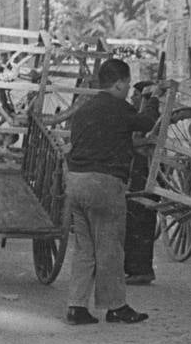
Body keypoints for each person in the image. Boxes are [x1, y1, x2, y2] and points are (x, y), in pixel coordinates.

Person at [62, 59, 155, 325]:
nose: (127, 89)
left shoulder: (84, 109)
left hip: (76, 183)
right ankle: (116, 307)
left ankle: (76, 307)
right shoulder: (118, 107)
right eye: (127, 84)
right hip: (103, 184)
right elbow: (146, 122)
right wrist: (154, 100)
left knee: (84, 249)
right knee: (110, 247)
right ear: (119, 83)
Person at [123, 80, 160, 286]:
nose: (132, 98)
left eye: (136, 95)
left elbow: (145, 143)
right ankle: (135, 268)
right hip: (140, 172)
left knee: (139, 221)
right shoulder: (142, 117)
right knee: (136, 220)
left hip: (145, 174)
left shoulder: (151, 118)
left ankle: (141, 270)